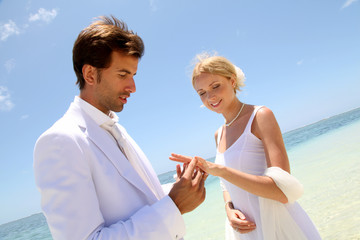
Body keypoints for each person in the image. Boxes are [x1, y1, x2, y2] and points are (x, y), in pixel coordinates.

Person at [33, 16, 207, 240]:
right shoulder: (59, 141)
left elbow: (134, 203)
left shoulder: (117, 129)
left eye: (133, 75)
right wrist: (174, 205)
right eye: (123, 74)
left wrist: (178, 189)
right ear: (89, 74)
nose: (132, 87)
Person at [170, 53, 321, 240]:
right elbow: (226, 185)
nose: (210, 96)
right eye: (202, 93)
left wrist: (220, 170)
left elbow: (283, 191)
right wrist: (229, 209)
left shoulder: (260, 116)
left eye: (215, 86)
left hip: (278, 225)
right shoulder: (219, 134)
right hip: (246, 231)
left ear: (232, 81)